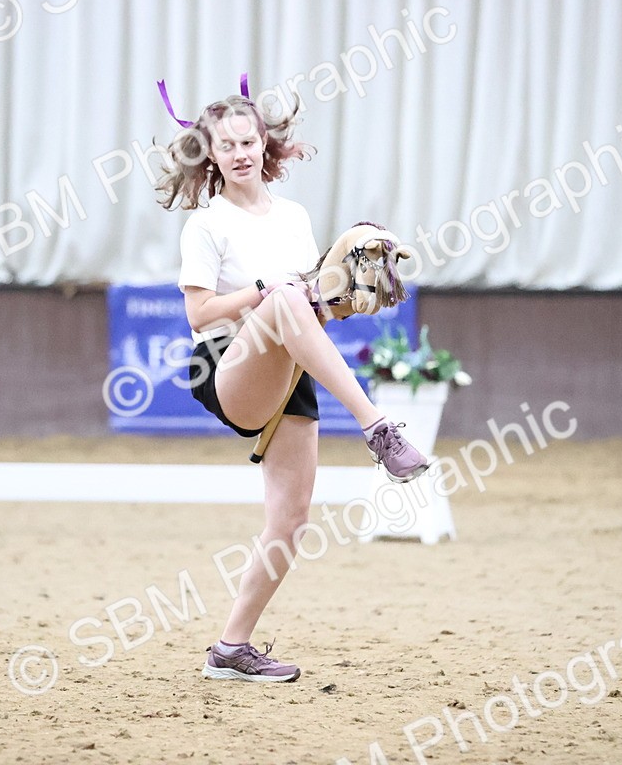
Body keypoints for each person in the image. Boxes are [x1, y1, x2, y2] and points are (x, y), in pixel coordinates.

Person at [156, 88, 428, 683]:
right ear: (209, 155)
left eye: (247, 141)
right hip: (230, 362)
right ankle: (378, 427)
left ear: (265, 144)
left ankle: (231, 649)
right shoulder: (207, 223)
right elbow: (200, 315)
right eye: (224, 146)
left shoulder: (295, 217)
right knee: (280, 295)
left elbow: (313, 307)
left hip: (289, 362)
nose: (239, 153)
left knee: (291, 520)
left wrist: (345, 299)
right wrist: (264, 293)